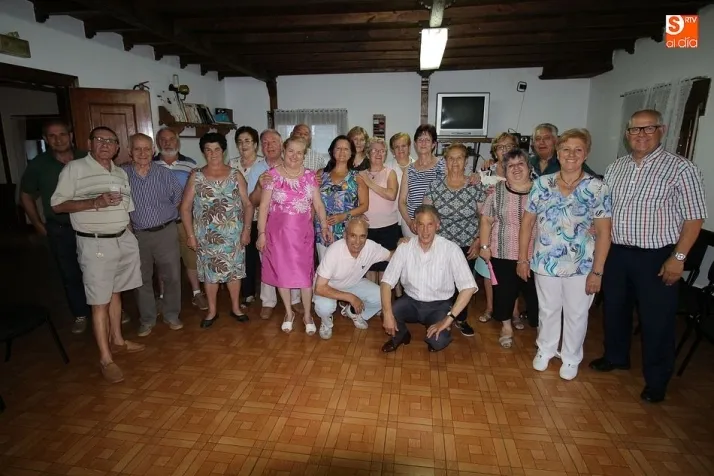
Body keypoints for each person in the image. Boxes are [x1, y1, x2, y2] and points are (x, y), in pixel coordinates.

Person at [590, 109, 707, 403]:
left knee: (657, 320)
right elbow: (605, 210)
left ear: (661, 130)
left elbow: (694, 218)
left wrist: (678, 258)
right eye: (635, 129)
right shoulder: (616, 168)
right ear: (627, 133)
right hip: (617, 252)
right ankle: (616, 356)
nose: (641, 135)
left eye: (648, 128)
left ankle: (657, 380)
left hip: (657, 257)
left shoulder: (681, 168)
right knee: (615, 309)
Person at [51, 126, 144, 383]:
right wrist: (95, 203)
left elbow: (126, 209)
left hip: (121, 239)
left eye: (110, 141)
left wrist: (130, 237)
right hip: (95, 243)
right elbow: (57, 205)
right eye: (99, 140)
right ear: (89, 143)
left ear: (117, 147)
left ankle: (118, 341)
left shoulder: (119, 173)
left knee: (116, 293)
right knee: (99, 301)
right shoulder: (75, 169)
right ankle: (105, 358)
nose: (105, 144)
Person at [518, 129, 612, 380]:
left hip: (582, 265)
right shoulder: (542, 184)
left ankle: (571, 357)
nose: (571, 154)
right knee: (548, 309)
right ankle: (546, 349)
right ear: (558, 153)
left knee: (576, 313)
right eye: (566, 149)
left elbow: (604, 233)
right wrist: (523, 258)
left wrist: (598, 272)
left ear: (586, 154)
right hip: (545, 260)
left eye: (578, 149)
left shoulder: (597, 187)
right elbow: (527, 224)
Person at [19, 119, 90, 334]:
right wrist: (37, 224)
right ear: (46, 139)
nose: (58, 140)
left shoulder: (87, 158)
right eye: (52, 136)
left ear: (70, 136)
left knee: (98, 271)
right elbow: (26, 195)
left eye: (62, 134)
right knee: (70, 274)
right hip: (60, 229)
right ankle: (80, 313)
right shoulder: (38, 165)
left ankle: (109, 308)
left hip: (90, 226)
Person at [256, 137, 332, 334]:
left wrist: (324, 225)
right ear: (284, 151)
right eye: (291, 151)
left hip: (303, 235)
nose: (295, 156)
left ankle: (307, 315)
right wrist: (261, 233)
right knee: (282, 274)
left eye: (299, 152)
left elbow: (318, 204)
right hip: (277, 235)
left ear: (304, 155)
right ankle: (288, 313)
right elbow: (263, 207)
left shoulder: (310, 176)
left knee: (305, 276)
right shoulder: (271, 176)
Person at [380, 204, 478, 353]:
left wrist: (448, 319)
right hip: (411, 301)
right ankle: (401, 335)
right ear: (414, 226)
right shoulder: (404, 247)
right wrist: (387, 314)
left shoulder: (451, 249)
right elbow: (386, 282)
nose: (425, 231)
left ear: (438, 225)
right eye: (421, 224)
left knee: (439, 341)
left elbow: (468, 287)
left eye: (430, 224)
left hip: (439, 305)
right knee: (387, 311)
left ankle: (435, 331)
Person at [180, 133, 253, 328]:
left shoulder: (235, 175)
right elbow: (185, 208)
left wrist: (246, 230)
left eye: (217, 149)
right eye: (208, 150)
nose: (213, 154)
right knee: (210, 275)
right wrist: (190, 235)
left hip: (233, 236)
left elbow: (248, 205)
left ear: (223, 151)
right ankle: (212, 311)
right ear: (203, 152)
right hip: (207, 237)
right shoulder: (196, 176)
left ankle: (236, 307)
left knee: (234, 273)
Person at [124, 133, 184, 337]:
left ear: (153, 151)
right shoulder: (122, 175)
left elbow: (179, 199)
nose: (142, 153)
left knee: (172, 276)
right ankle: (147, 319)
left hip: (165, 232)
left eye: (146, 149)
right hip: (138, 235)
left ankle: (171, 314)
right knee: (141, 279)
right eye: (137, 149)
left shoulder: (164, 174)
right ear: (130, 151)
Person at [479, 149, 539, 349]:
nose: (516, 169)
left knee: (536, 295)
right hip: (503, 252)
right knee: (504, 292)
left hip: (535, 254)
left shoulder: (541, 190)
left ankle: (542, 330)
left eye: (520, 164)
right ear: (505, 170)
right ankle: (506, 327)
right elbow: (486, 219)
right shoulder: (497, 191)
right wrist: (484, 246)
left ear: (529, 167)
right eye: (510, 166)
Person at [423, 143, 485, 337]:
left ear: (466, 162)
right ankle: (440, 317)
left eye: (459, 158)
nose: (455, 162)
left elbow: (484, 217)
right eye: (451, 158)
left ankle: (460, 318)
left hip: (468, 244)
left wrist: (478, 240)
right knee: (441, 283)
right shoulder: (435, 186)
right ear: (445, 161)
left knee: (463, 284)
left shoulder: (475, 186)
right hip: (441, 245)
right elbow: (426, 216)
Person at [248, 129, 302, 318]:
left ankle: (295, 300)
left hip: (291, 223)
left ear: (282, 145)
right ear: (260, 147)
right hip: (267, 223)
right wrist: (259, 185)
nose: (269, 146)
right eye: (265, 142)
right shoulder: (257, 169)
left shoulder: (293, 164)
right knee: (268, 261)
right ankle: (268, 301)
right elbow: (253, 201)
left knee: (293, 260)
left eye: (273, 142)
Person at [153, 127, 207, 311]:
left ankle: (197, 293)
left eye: (171, 139)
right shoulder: (150, 165)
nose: (167, 143)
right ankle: (163, 296)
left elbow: (198, 193)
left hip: (185, 222)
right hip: (161, 224)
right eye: (163, 139)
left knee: (191, 259)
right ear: (158, 142)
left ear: (178, 141)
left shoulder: (190, 165)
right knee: (163, 262)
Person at [313, 217, 393, 340]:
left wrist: (405, 246)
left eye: (362, 236)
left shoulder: (370, 247)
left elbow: (391, 256)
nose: (358, 241)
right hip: (328, 286)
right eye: (353, 235)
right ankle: (326, 323)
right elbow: (319, 288)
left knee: (381, 296)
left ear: (366, 236)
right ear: (345, 235)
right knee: (324, 307)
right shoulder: (334, 251)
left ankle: (354, 313)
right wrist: (351, 297)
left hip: (353, 283)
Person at [315, 135, 369, 261]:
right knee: (325, 266)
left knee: (345, 267)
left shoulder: (357, 178)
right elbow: (313, 201)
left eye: (346, 149)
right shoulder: (320, 174)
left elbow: (364, 206)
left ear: (351, 153)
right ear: (332, 151)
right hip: (323, 229)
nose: (342, 152)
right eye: (338, 148)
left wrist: (343, 216)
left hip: (347, 230)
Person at [228, 126, 261, 306]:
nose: (243, 145)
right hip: (237, 218)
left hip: (260, 218)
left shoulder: (263, 164)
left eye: (247, 141)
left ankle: (267, 293)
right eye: (240, 142)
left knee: (260, 257)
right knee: (244, 256)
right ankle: (248, 293)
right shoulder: (232, 164)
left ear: (255, 144)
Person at [398, 124, 446, 238]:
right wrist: (410, 222)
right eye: (420, 140)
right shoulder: (409, 170)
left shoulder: (443, 165)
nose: (423, 143)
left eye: (427, 140)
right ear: (415, 144)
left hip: (436, 224)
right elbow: (402, 201)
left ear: (434, 144)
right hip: (412, 224)